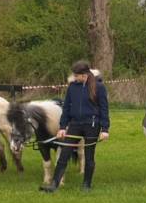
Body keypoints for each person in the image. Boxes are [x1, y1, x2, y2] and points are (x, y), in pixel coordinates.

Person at [41, 61, 110, 193]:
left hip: (92, 125)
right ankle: (54, 184)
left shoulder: (99, 87)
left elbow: (104, 109)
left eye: (76, 75)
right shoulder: (72, 87)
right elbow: (66, 108)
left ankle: (86, 184)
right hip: (75, 125)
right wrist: (62, 127)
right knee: (64, 154)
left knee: (89, 156)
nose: (74, 77)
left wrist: (105, 129)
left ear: (84, 75)